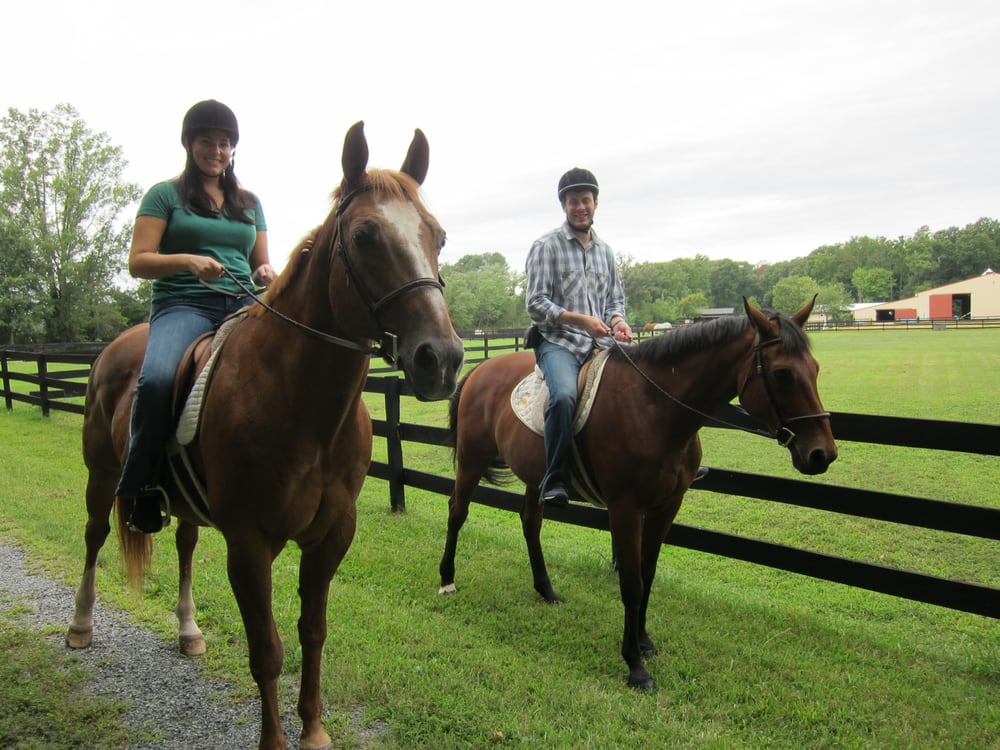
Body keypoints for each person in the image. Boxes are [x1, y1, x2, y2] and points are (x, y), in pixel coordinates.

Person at [116, 99, 276, 533]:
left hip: (242, 303)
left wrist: (265, 272)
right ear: (190, 144)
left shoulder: (249, 201)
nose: (217, 151)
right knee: (157, 379)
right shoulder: (164, 195)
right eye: (207, 141)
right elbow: (138, 261)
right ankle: (142, 486)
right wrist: (189, 261)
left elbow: (261, 265)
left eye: (225, 143)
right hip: (184, 303)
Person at [525, 168, 633, 506]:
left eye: (586, 200)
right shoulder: (546, 246)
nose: (580, 207)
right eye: (573, 201)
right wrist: (580, 321)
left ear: (596, 203)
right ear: (564, 206)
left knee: (650, 379)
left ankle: (671, 458)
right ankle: (556, 478)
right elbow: (535, 303)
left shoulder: (606, 252)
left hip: (601, 343)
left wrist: (618, 321)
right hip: (559, 343)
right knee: (565, 396)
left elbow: (615, 300)